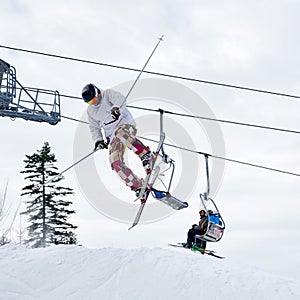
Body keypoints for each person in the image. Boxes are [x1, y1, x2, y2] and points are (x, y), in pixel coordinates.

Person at [82, 83, 154, 196]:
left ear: (98, 93)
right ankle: (137, 186)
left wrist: (116, 109)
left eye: (94, 99)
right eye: (90, 102)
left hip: (125, 126)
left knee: (120, 133)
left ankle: (146, 154)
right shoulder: (91, 111)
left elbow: (120, 99)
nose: (94, 103)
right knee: (115, 161)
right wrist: (98, 140)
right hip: (112, 137)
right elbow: (94, 127)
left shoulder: (108, 94)